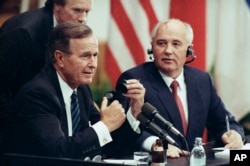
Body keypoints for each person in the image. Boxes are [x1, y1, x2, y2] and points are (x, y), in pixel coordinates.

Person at [4, 22, 146, 159]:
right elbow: (58, 152)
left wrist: (134, 113)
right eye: (85, 56)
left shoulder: (82, 90)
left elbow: (113, 147)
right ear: (60, 58)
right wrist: (105, 125)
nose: (93, 64)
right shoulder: (38, 95)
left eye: (95, 55)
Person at [115, 19, 245, 158]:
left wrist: (233, 134)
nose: (168, 51)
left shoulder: (202, 80)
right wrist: (157, 145)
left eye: (176, 44)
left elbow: (223, 121)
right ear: (151, 47)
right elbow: (123, 130)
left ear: (188, 50)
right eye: (161, 43)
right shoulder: (134, 78)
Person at [0, 0, 93, 147]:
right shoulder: (23, 33)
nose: (83, 18)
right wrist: (17, 130)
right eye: (77, 10)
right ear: (57, 6)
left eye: (87, 12)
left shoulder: (69, 31)